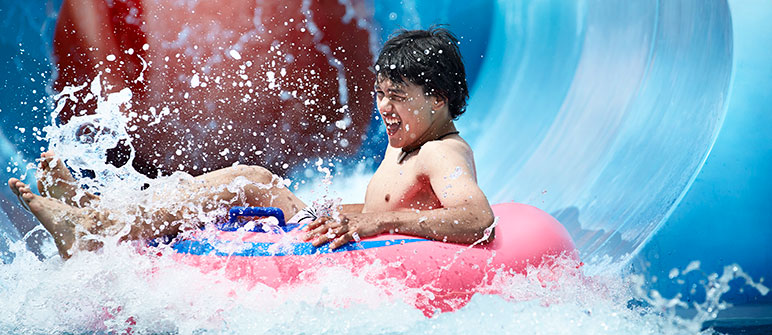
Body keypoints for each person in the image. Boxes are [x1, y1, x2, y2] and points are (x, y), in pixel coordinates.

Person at [8, 27, 495, 259]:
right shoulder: (409, 142)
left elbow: (477, 219)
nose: (383, 109)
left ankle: (96, 225)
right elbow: (378, 207)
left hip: (358, 258)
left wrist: (372, 222)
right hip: (335, 239)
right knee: (251, 185)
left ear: (438, 98)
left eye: (398, 97)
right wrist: (340, 211)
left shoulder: (441, 151)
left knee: (254, 182)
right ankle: (99, 211)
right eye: (380, 95)